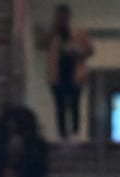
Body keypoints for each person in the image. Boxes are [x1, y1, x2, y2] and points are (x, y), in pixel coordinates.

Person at [43, 5, 93, 142]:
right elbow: (43, 44)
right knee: (60, 106)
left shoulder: (77, 32)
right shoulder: (53, 34)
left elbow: (89, 50)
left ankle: (75, 133)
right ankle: (62, 134)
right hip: (58, 75)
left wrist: (75, 51)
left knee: (75, 105)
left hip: (74, 74)